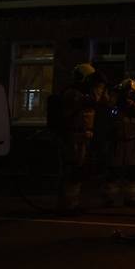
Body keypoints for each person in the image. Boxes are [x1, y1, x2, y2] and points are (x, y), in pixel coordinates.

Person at [57, 63, 110, 213]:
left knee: (77, 170)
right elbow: (92, 101)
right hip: (73, 136)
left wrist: (102, 87)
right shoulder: (72, 93)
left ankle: (71, 204)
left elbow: (104, 102)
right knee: (72, 169)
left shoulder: (82, 93)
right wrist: (99, 86)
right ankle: (67, 205)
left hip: (80, 137)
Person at [101, 79, 135, 207]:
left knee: (133, 172)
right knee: (113, 171)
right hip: (116, 142)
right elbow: (106, 109)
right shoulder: (115, 102)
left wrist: (132, 105)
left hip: (132, 142)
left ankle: (131, 198)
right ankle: (109, 199)